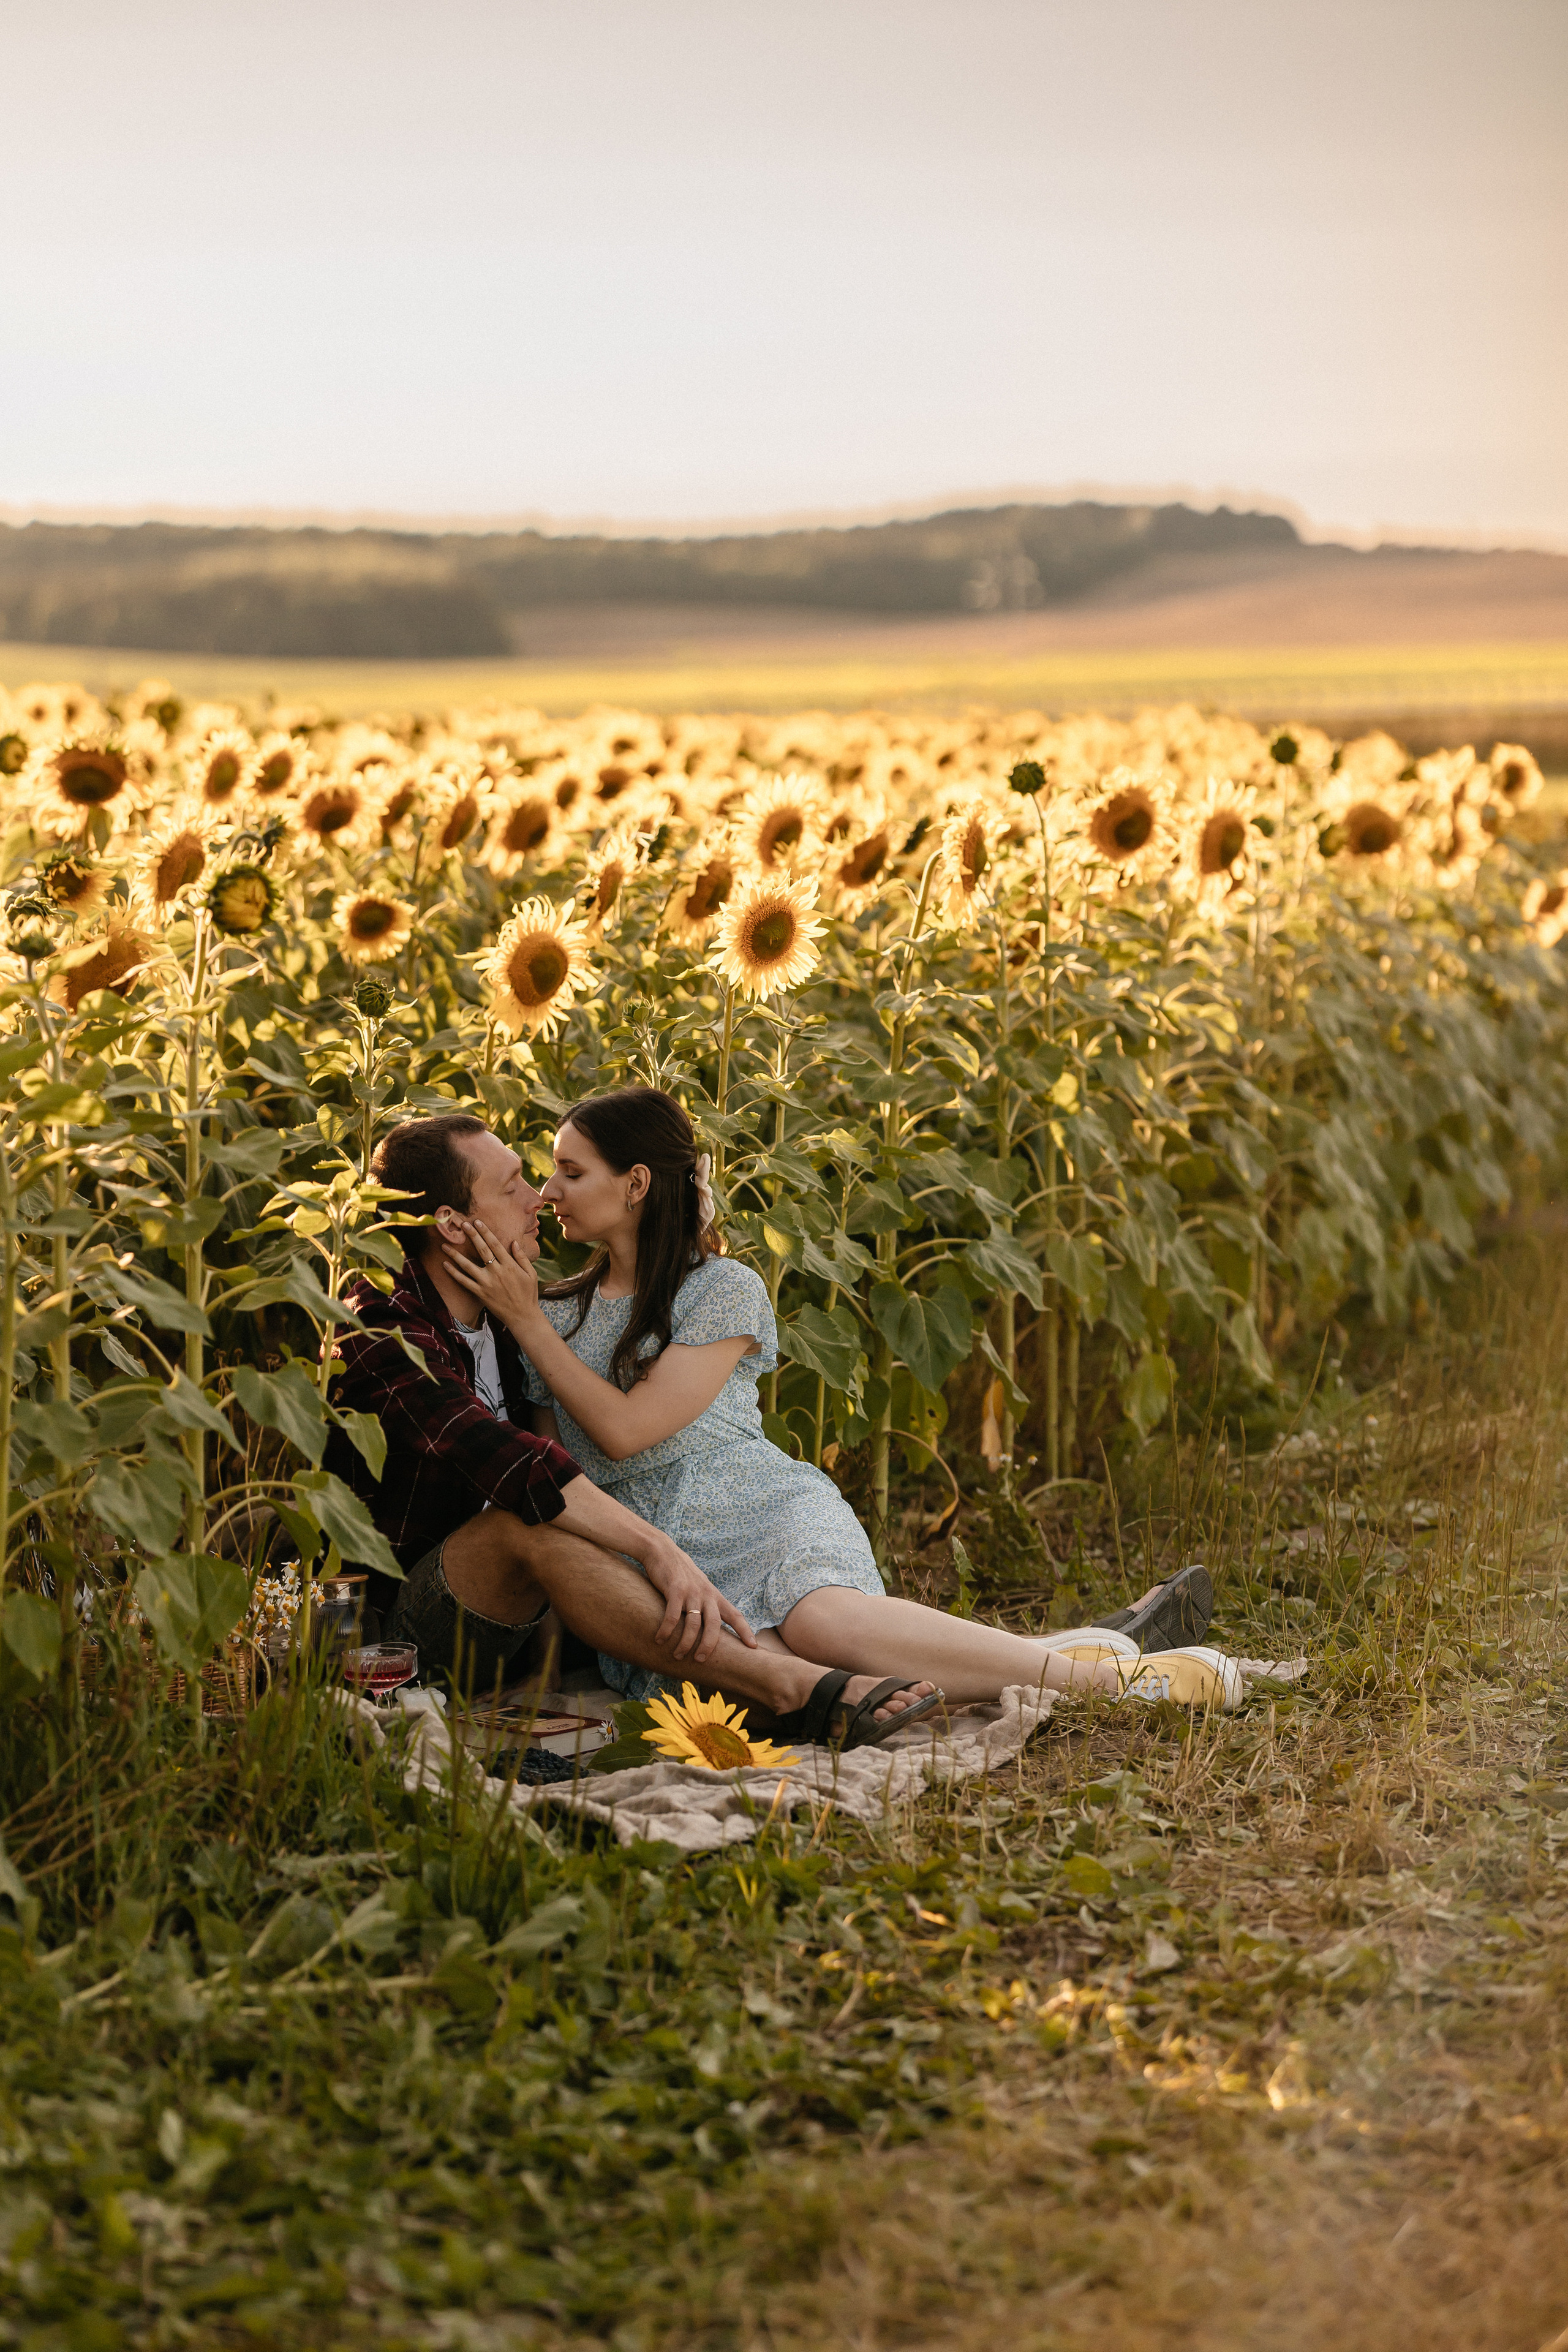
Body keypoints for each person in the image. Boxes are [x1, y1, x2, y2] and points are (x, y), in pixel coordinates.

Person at [435, 1086, 1243, 1714]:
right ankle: (1089, 1649)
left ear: (637, 1183)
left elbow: (624, 1431)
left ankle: (1127, 1690)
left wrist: (525, 1322)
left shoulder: (720, 1289)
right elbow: (561, 1467)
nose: (548, 1193)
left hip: (757, 1513)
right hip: (651, 1557)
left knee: (828, 1630)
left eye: (571, 1172)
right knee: (793, 1679)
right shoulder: (556, 1311)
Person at [322, 1112, 940, 1746]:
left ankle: (811, 1687)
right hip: (403, 1634)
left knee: (753, 1617)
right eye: (511, 1188)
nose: (538, 1196)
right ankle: (789, 1685)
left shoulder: (513, 1315)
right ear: (453, 1225)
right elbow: (511, 1463)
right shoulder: (381, 1326)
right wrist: (656, 1550)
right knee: (524, 1520)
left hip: (537, 1617)